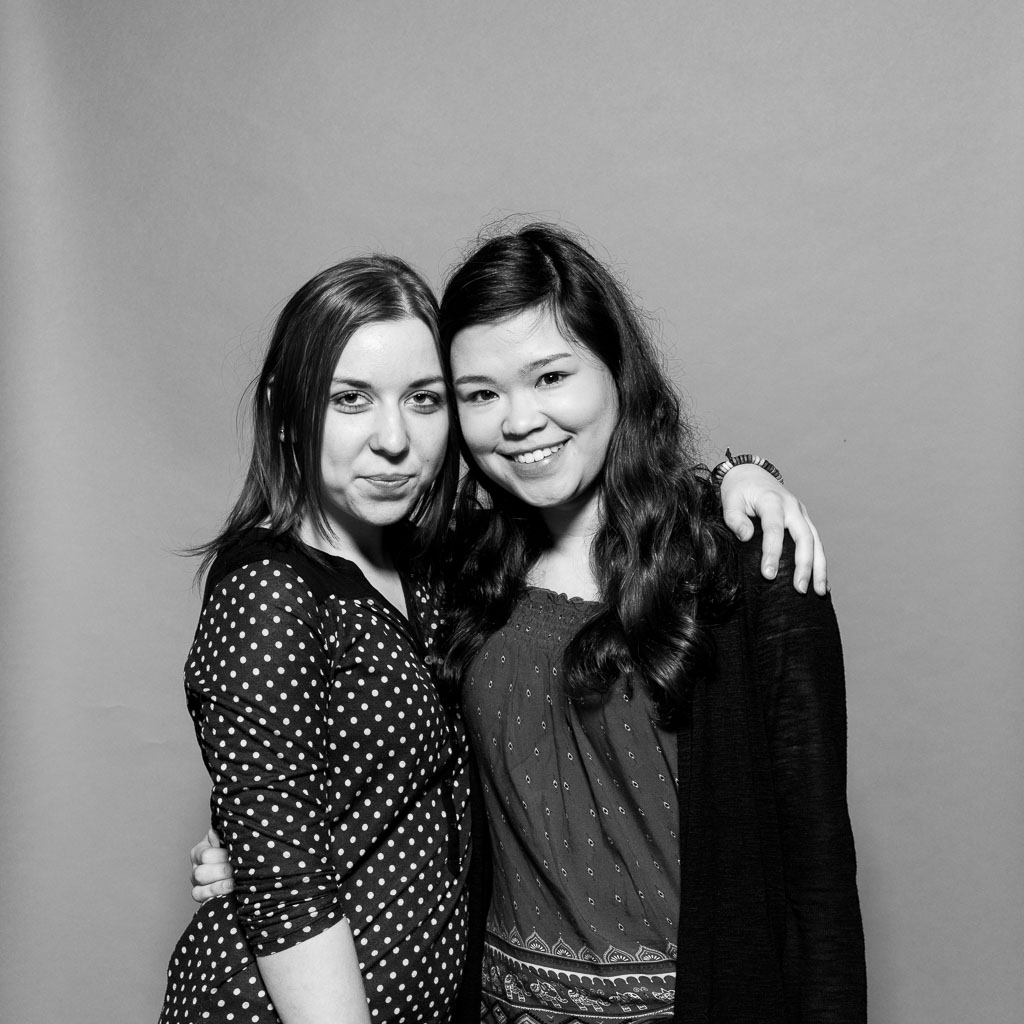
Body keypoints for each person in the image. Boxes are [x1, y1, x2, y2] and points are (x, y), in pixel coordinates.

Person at [180, 230, 848, 1023]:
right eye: (479, 394)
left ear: (617, 372)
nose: (520, 420)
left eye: (552, 376)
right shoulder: (461, 569)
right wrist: (264, 850)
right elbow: (350, 781)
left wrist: (743, 472)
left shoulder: (745, 567)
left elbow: (816, 883)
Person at [161, 256, 471, 1024]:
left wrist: (737, 477)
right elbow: (286, 888)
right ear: (285, 409)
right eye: (350, 398)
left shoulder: (433, 565)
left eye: (424, 399)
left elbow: (591, 495)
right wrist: (256, 839)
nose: (394, 439)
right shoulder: (269, 589)